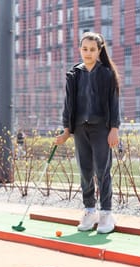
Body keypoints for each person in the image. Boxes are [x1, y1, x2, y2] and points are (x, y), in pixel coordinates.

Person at [54, 32, 120, 234]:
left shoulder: (107, 73)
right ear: (80, 49)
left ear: (99, 51)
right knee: (85, 171)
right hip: (80, 129)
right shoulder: (74, 74)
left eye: (92, 49)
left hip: (102, 129)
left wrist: (114, 129)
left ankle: (106, 214)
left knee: (102, 171)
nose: (88, 53)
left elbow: (113, 103)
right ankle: (89, 211)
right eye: (85, 49)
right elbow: (68, 105)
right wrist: (66, 131)